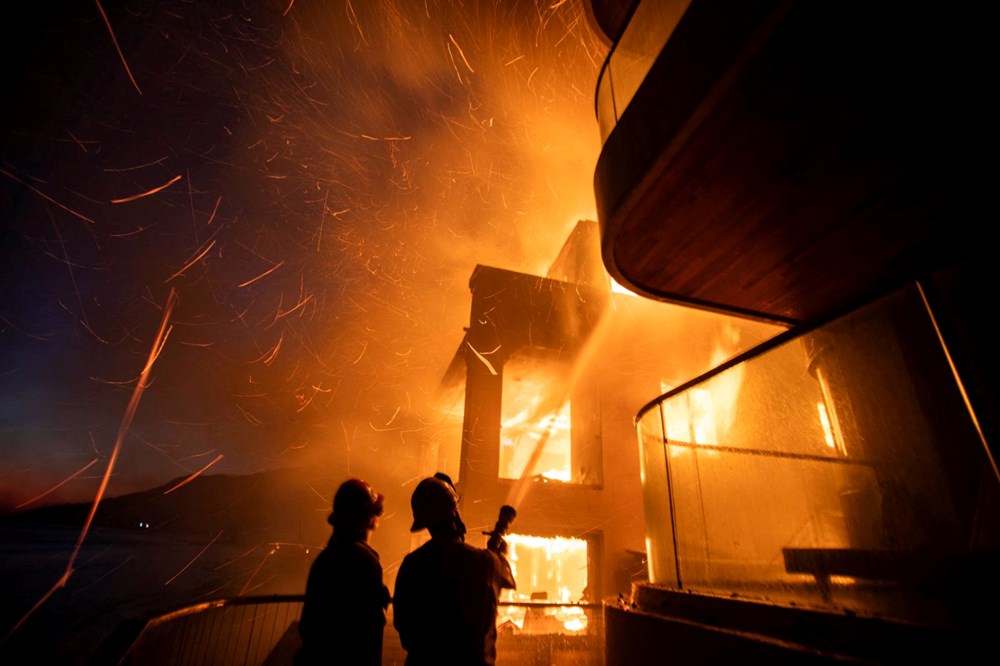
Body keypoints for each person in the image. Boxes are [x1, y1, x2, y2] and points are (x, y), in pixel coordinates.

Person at [392, 473, 516, 666]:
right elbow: (504, 577)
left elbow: (403, 626)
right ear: (454, 513)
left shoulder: (412, 564)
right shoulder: (485, 562)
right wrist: (499, 555)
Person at [295, 477, 390, 666]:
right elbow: (368, 631)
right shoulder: (365, 560)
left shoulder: (326, 558)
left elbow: (309, 625)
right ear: (370, 518)